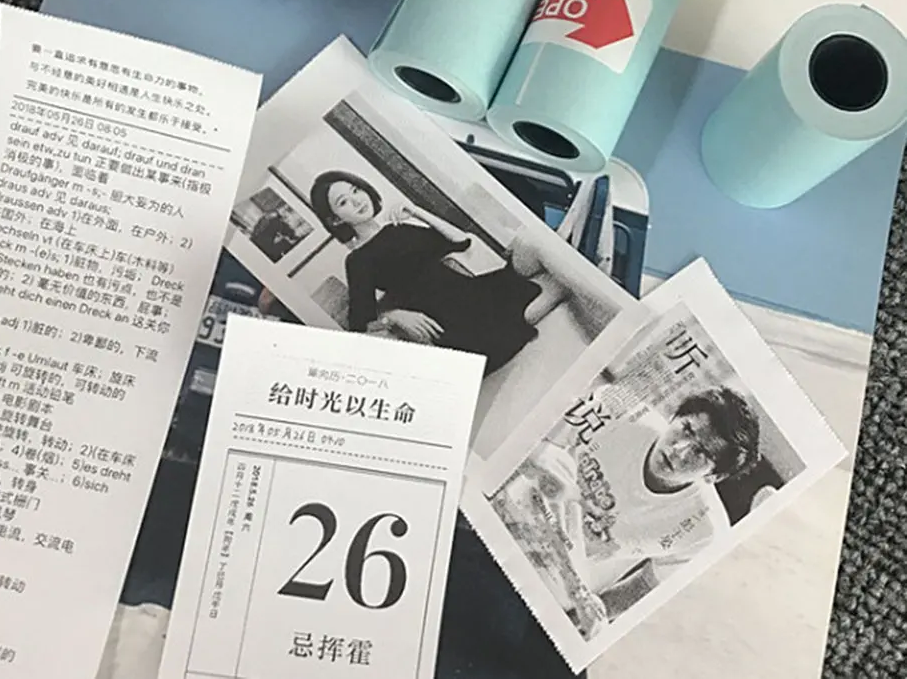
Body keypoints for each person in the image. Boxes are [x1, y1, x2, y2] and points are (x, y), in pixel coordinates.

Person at [494, 386, 761, 633]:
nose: (679, 452)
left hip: (545, 594)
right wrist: (535, 452)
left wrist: (582, 620)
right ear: (674, 417)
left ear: (714, 476)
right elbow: (519, 437)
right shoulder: (617, 410)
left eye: (701, 452)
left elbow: (647, 584)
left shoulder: (705, 530)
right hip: (500, 520)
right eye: (687, 430)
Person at [308, 170, 544, 375]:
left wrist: (417, 211)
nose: (356, 200)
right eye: (343, 202)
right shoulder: (357, 260)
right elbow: (360, 324)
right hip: (449, 317)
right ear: (335, 220)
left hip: (472, 290)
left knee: (532, 246)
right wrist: (395, 315)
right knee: (529, 298)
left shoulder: (397, 229)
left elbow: (460, 242)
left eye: (356, 190)